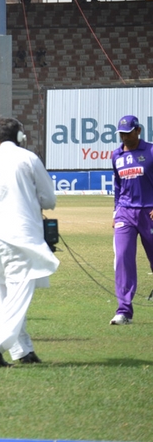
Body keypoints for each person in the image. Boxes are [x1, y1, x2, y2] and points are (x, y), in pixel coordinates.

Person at [0, 117, 59, 367]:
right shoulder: (29, 159)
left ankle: (22, 350)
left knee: (5, 296)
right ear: (20, 137)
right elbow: (48, 199)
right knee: (18, 296)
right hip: (20, 236)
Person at [110, 115, 153, 325]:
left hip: (149, 213)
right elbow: (118, 186)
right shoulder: (116, 155)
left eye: (128, 133)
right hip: (125, 213)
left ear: (138, 131)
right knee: (123, 259)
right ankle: (124, 311)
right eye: (122, 134)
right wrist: (116, 211)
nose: (125, 138)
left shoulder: (151, 151)